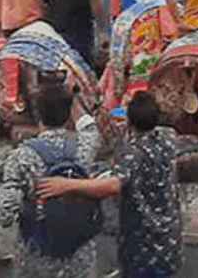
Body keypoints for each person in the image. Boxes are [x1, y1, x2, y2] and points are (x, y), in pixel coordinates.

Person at [36, 92, 182, 278]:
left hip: (143, 244)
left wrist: (67, 185)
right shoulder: (169, 137)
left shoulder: (133, 153)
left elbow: (113, 185)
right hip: (170, 236)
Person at [0, 82, 101, 278]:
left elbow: (4, 217)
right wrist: (74, 102)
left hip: (37, 256)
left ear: (38, 115)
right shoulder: (86, 146)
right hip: (79, 255)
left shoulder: (22, 156)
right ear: (68, 116)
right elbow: (90, 126)